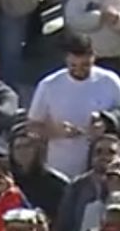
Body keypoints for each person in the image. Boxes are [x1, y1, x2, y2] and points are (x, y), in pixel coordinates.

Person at [30, 35, 120, 179]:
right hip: (61, 169)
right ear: (66, 59)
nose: (79, 71)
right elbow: (32, 127)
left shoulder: (110, 81)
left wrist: (106, 122)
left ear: (93, 57)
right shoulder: (49, 85)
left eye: (85, 65)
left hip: (105, 169)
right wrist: (56, 131)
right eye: (73, 66)